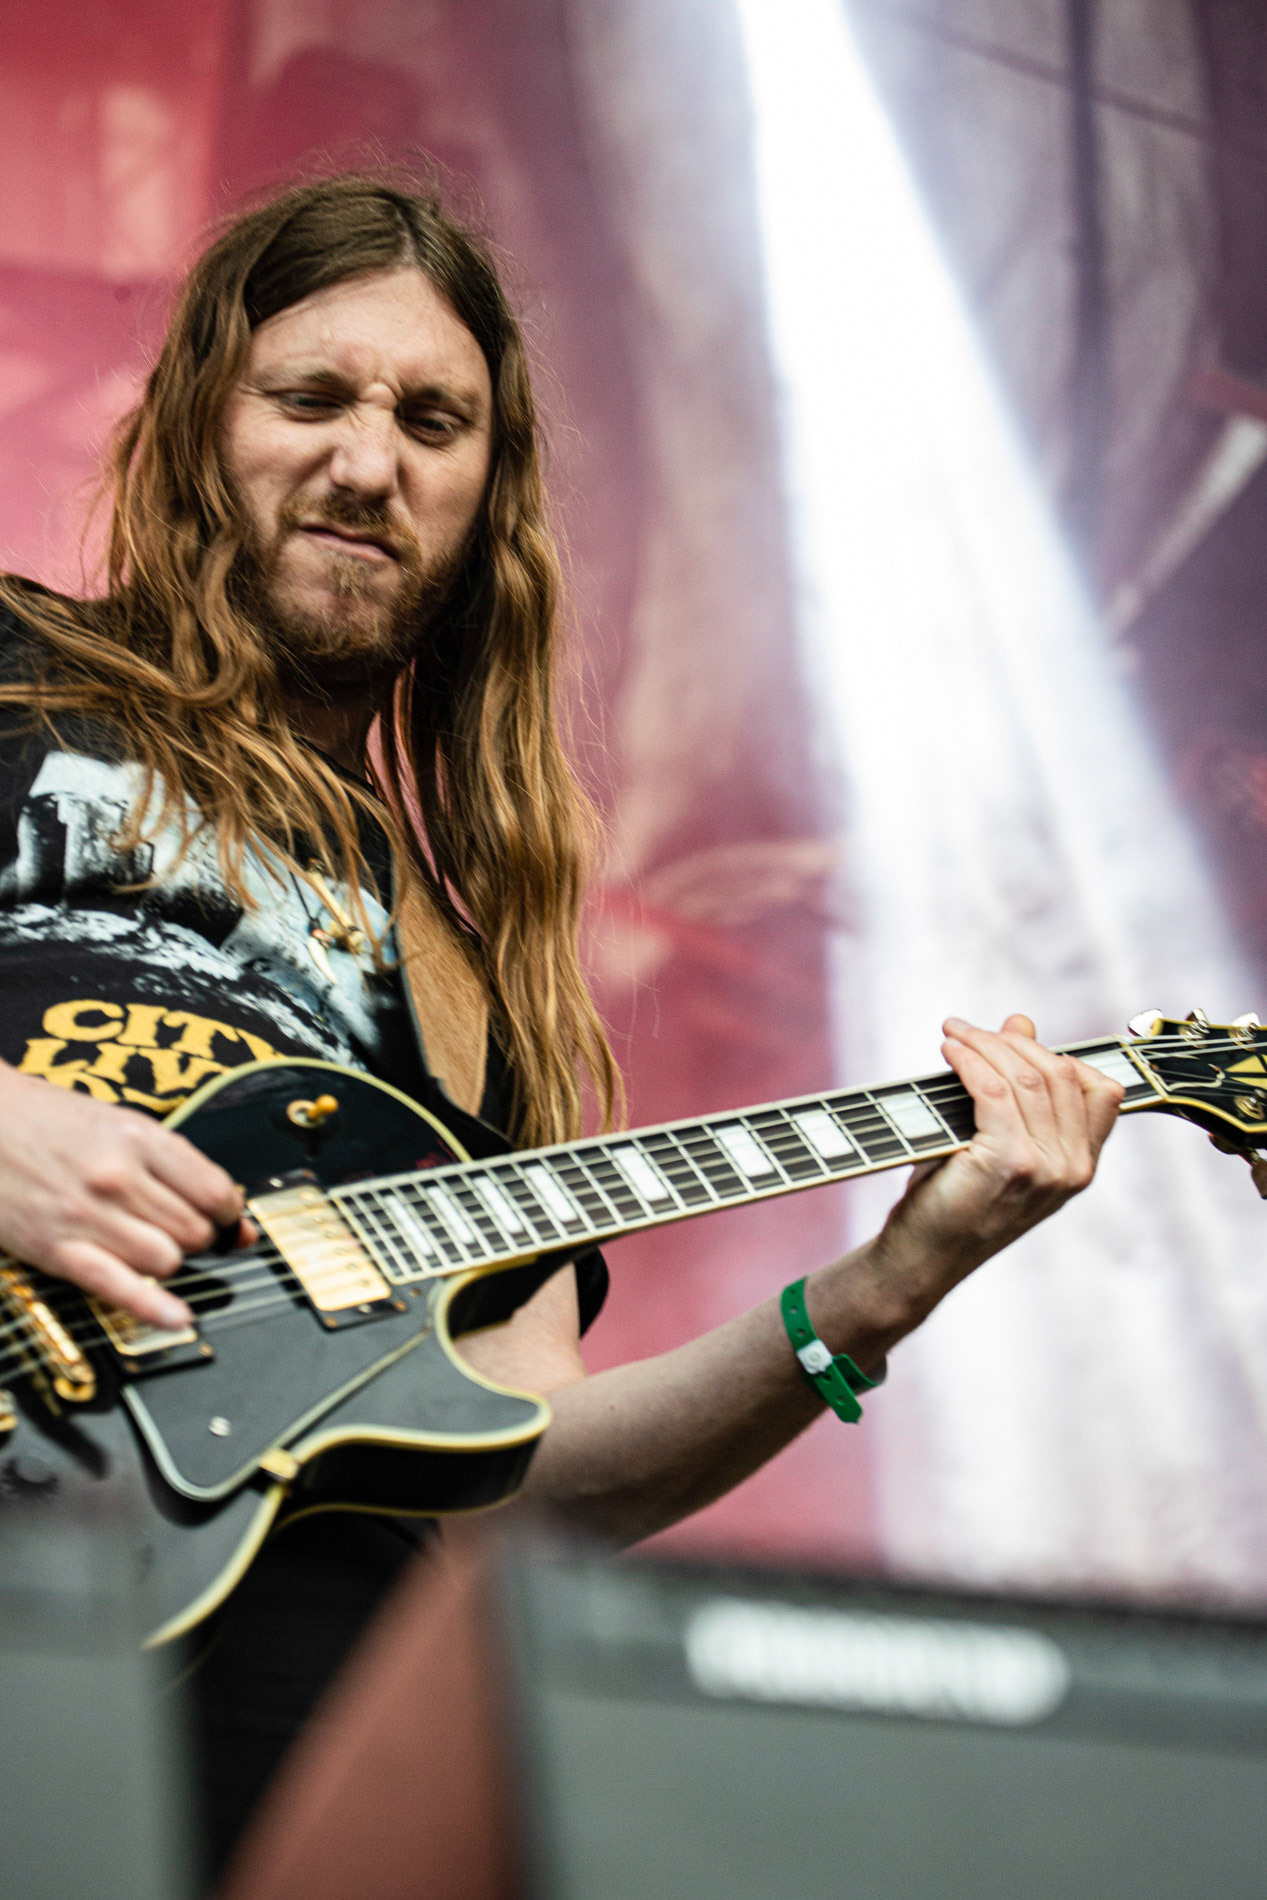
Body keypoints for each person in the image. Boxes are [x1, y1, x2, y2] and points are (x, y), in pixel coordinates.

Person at [0, 173, 1123, 1875]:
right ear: (190, 432)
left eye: (431, 421)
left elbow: (526, 1473)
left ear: (485, 495)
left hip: (269, 1716)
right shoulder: (18, 669)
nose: (368, 464)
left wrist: (878, 1299)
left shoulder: (474, 983)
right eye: (310, 398)